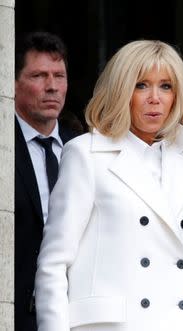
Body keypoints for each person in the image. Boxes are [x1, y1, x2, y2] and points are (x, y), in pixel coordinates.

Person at [35, 40, 183, 331]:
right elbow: (53, 264)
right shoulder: (86, 154)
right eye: (141, 85)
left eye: (166, 86)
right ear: (121, 91)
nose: (154, 98)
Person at [14, 31, 76, 331]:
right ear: (12, 83)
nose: (52, 87)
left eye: (59, 76)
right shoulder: (4, 146)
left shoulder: (82, 147)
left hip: (74, 311)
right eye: (38, 75)